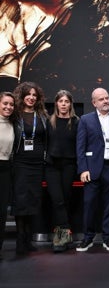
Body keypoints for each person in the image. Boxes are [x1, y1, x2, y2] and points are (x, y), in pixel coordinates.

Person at [76, 88, 109, 252]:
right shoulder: (85, 119)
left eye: (107, 98)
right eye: (101, 99)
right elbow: (80, 147)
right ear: (94, 102)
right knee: (89, 205)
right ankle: (87, 238)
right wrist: (83, 169)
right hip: (92, 168)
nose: (105, 101)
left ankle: (107, 238)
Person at [12, 81, 48, 255]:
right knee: (21, 200)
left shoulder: (41, 115)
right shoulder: (15, 115)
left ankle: (28, 239)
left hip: (37, 164)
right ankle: (20, 240)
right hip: (20, 163)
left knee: (33, 200)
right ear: (22, 95)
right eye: (29, 94)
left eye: (35, 95)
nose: (32, 97)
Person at [45, 90, 79, 252]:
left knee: (64, 200)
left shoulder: (76, 122)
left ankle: (61, 237)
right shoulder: (48, 121)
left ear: (70, 104)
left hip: (69, 166)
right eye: (61, 101)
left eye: (66, 101)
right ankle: (64, 236)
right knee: (57, 200)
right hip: (51, 166)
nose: (64, 104)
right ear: (56, 103)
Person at [0, 92, 16, 260]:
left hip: (5, 169)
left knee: (2, 211)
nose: (8, 107)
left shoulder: (12, 124)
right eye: (5, 103)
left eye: (11, 104)